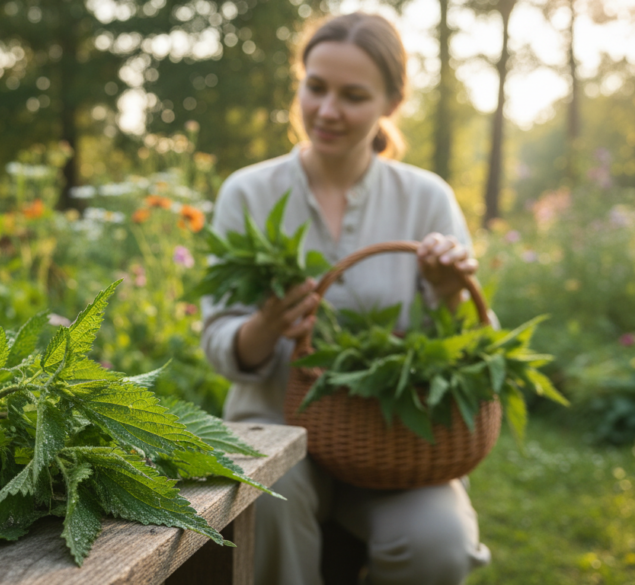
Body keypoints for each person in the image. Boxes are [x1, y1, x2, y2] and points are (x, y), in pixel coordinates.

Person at [200, 12, 493, 585]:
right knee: (270, 495)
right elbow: (216, 342)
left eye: (353, 96)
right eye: (316, 87)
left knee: (440, 541)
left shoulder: (426, 198)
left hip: (398, 438)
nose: (327, 111)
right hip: (272, 427)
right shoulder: (248, 192)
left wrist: (446, 294)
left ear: (391, 101)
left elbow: (476, 353)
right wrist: (265, 325)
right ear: (301, 82)